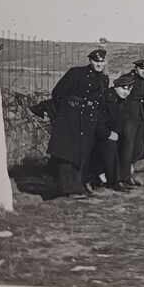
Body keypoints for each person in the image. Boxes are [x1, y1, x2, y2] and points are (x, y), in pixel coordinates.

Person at [47, 49, 111, 199]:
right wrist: (67, 110)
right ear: (90, 61)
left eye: (102, 61)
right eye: (96, 61)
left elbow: (100, 102)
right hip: (71, 118)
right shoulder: (76, 73)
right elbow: (57, 93)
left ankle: (80, 185)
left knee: (84, 152)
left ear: (105, 62)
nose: (99, 64)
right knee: (68, 152)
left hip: (89, 119)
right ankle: (69, 189)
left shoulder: (104, 79)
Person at [96, 73, 143, 191]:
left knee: (127, 142)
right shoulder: (108, 98)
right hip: (100, 134)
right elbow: (98, 122)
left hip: (111, 132)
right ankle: (114, 181)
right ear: (116, 87)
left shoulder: (121, 99)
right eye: (123, 88)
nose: (126, 92)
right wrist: (109, 134)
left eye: (129, 89)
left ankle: (121, 178)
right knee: (111, 146)